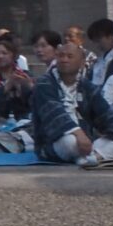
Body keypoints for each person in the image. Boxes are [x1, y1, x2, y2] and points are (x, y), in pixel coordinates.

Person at [30, 34, 97, 164]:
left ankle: (93, 156)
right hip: (57, 140)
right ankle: (90, 156)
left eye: (70, 57)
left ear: (82, 62)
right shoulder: (45, 83)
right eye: (61, 56)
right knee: (71, 142)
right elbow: (54, 113)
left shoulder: (85, 85)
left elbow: (104, 112)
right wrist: (78, 133)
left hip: (86, 138)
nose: (64, 60)